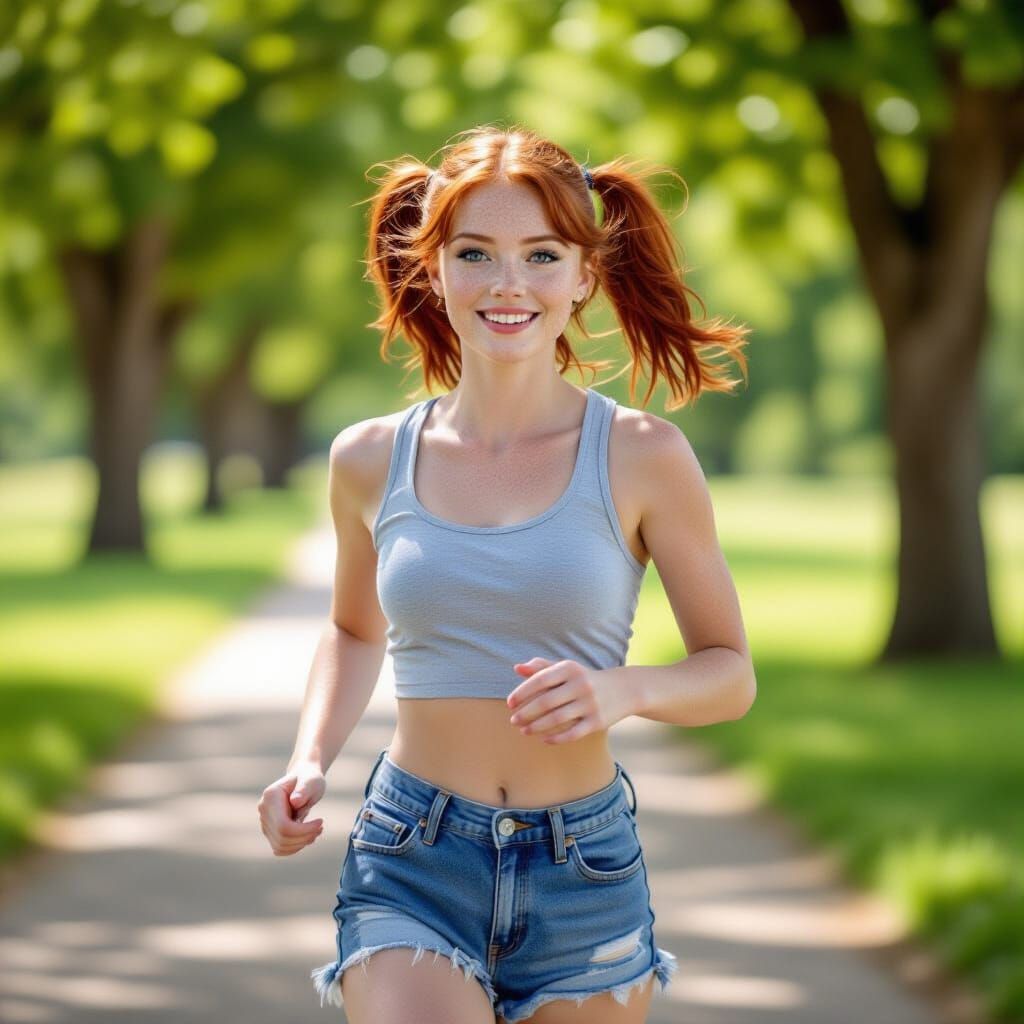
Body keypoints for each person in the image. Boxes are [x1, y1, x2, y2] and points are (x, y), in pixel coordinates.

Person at [257, 123, 754, 1024]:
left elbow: (729, 673)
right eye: (475, 253)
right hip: (412, 854)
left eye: (542, 254)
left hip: (583, 868)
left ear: (584, 276)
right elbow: (354, 629)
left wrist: (622, 691)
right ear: (432, 266)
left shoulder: (643, 455)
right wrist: (307, 758)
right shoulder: (368, 458)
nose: (508, 283)